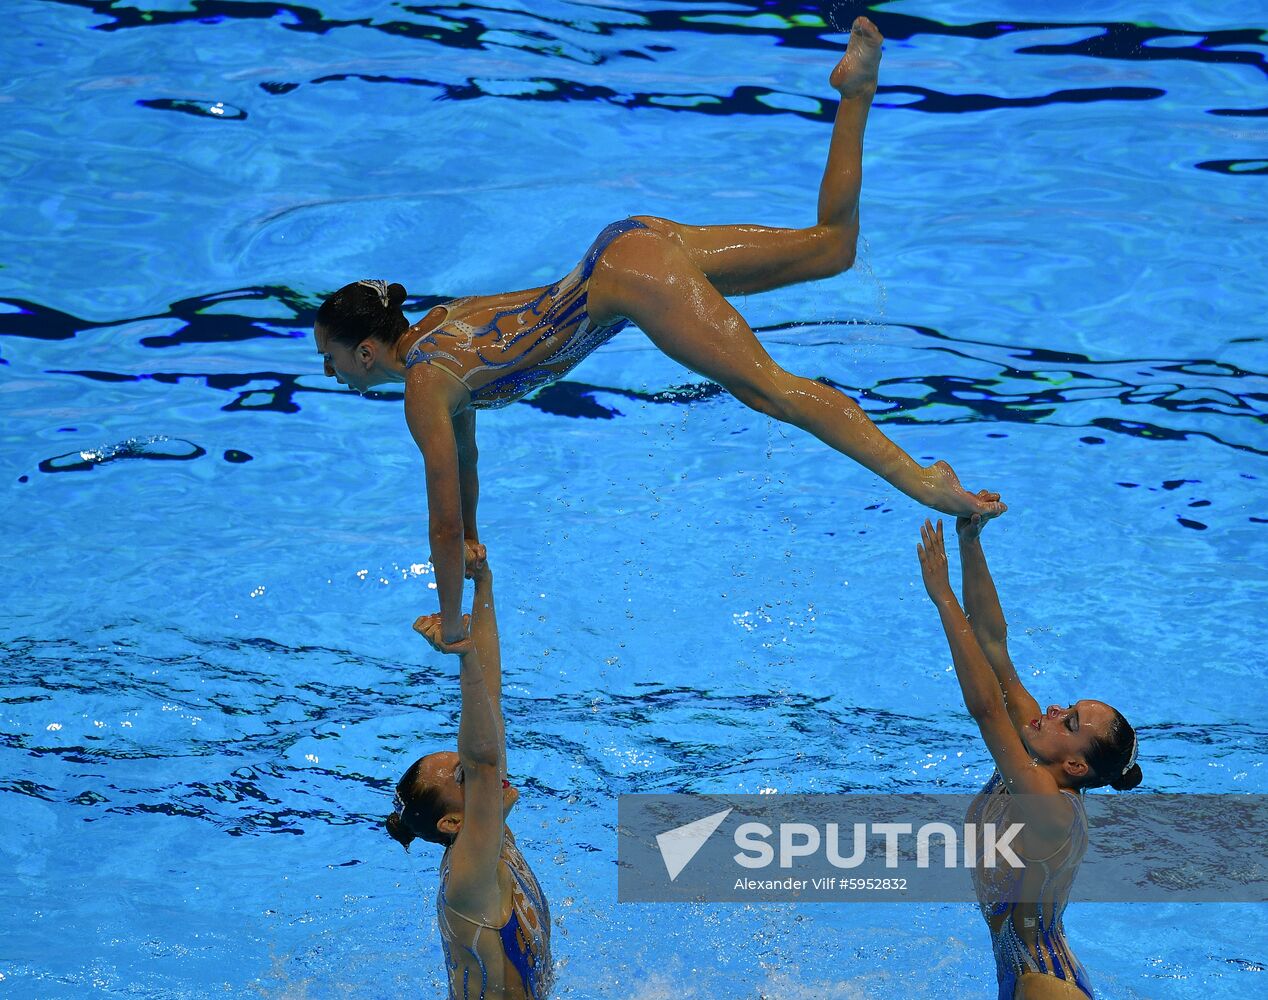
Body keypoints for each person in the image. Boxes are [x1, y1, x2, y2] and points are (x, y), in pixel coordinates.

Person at [316, 17, 1006, 652]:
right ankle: (856, 90)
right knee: (832, 247)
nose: (331, 373)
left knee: (771, 393)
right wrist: (471, 537)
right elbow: (463, 463)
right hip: (628, 245)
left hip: (629, 283)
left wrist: (455, 622)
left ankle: (925, 479)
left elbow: (435, 511)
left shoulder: (421, 390)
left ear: (367, 350)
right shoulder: (436, 334)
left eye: (331, 358)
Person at [915, 509, 1141, 1000]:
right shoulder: (1037, 754)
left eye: (1071, 722)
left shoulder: (1050, 807)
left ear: (1076, 766)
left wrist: (943, 596)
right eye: (1068, 707)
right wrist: (971, 542)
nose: (1055, 710)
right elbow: (994, 644)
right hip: (1023, 968)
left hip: (1043, 984)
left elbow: (985, 709)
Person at [385, 552, 553, 999]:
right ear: (452, 823)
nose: (487, 772)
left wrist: (483, 585)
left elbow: (490, 709)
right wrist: (463, 660)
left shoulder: (490, 835)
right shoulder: (468, 876)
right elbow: (481, 758)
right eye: (464, 779)